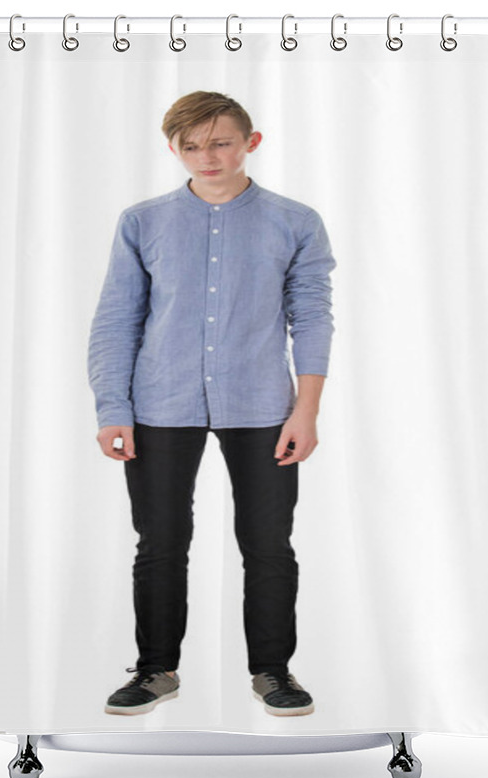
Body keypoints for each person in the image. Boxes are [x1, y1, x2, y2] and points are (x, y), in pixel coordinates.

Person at [87, 90, 335, 718]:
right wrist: (112, 407)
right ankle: (154, 669)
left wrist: (305, 412)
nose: (206, 155)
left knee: (269, 542)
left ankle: (274, 671)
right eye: (191, 145)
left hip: (263, 406)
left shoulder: (294, 220)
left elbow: (311, 318)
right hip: (158, 403)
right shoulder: (142, 221)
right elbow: (117, 320)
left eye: (220, 141)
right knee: (161, 542)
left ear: (251, 142)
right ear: (173, 148)